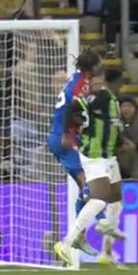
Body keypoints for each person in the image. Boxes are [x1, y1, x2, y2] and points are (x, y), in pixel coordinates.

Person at [53, 68, 128, 269]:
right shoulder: (98, 97)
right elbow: (75, 107)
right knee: (98, 200)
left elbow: (113, 125)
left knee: (116, 202)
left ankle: (107, 251)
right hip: (94, 156)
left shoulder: (111, 100)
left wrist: (120, 139)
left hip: (108, 155)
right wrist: (69, 132)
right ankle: (66, 243)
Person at [45, 50, 107, 257]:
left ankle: (82, 235)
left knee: (87, 187)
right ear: (92, 67)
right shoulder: (81, 85)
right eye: (99, 62)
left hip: (67, 137)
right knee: (90, 185)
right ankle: (98, 224)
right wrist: (66, 133)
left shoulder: (78, 79)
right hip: (64, 139)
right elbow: (72, 108)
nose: (102, 65)